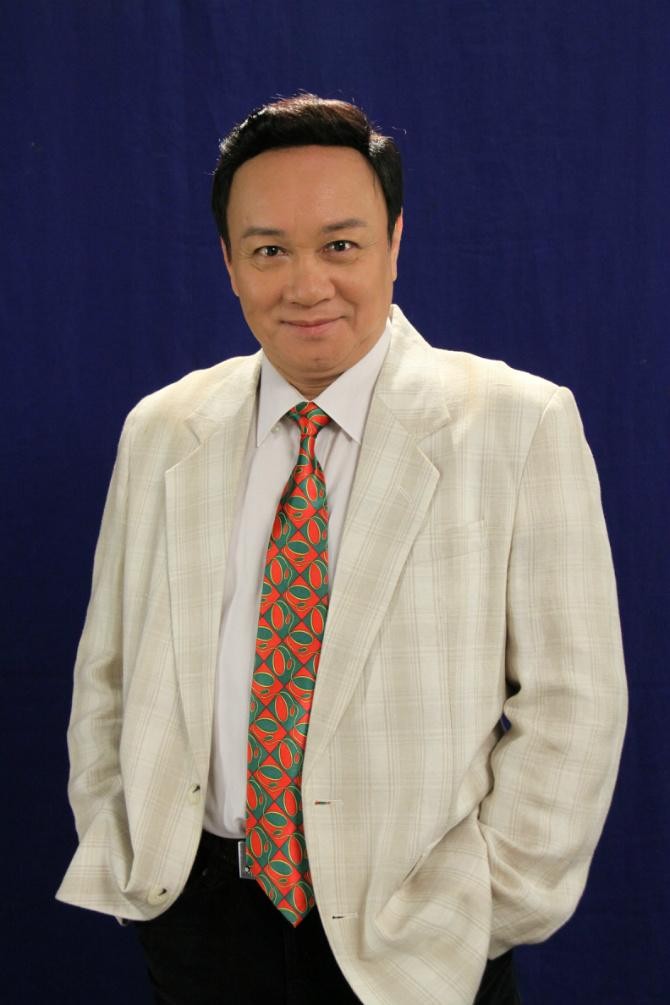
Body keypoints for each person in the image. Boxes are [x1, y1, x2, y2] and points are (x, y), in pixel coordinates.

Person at [57, 94, 627, 1005]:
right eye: (269, 250)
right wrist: (128, 848)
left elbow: (575, 702)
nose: (306, 284)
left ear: (394, 241)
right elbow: (109, 674)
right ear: (229, 262)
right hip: (200, 918)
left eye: (340, 244)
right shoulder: (163, 429)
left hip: (421, 932)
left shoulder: (516, 425)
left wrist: (486, 906)